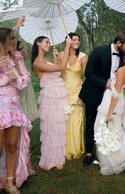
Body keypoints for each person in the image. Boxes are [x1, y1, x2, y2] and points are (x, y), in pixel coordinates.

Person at [79, 31, 125, 166]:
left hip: (111, 96)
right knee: (90, 123)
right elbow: (89, 73)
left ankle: (106, 152)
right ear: (118, 43)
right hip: (94, 93)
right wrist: (105, 84)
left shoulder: (124, 56)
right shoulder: (98, 51)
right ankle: (89, 153)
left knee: (108, 123)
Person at [94, 45, 125, 175]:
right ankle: (124, 155)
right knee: (117, 129)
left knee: (104, 128)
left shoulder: (122, 70)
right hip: (122, 102)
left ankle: (113, 161)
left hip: (112, 102)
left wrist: (109, 112)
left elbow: (115, 93)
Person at [31, 36, 71, 170]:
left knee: (57, 127)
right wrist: (67, 46)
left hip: (56, 96)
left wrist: (56, 58)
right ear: (38, 43)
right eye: (46, 42)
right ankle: (50, 158)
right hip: (49, 98)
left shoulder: (45, 61)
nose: (49, 44)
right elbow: (63, 67)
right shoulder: (37, 63)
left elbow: (60, 71)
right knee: (51, 129)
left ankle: (57, 156)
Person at [0, 28, 31, 193]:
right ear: (2, 40)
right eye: (11, 39)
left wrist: (15, 77)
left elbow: (24, 81)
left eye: (14, 38)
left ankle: (9, 182)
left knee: (12, 145)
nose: (14, 42)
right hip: (0, 107)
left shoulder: (17, 57)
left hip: (14, 107)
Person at [60, 32, 88, 160]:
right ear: (68, 40)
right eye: (74, 39)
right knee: (64, 122)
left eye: (78, 40)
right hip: (63, 92)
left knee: (76, 121)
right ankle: (64, 149)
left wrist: (83, 96)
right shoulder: (61, 55)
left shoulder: (83, 56)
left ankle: (76, 149)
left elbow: (87, 77)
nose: (77, 42)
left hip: (78, 92)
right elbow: (59, 72)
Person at [17, 40, 38, 122]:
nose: (23, 50)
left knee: (28, 104)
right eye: (20, 49)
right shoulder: (16, 59)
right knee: (23, 105)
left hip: (27, 85)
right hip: (21, 85)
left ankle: (28, 121)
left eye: (23, 48)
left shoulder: (21, 59)